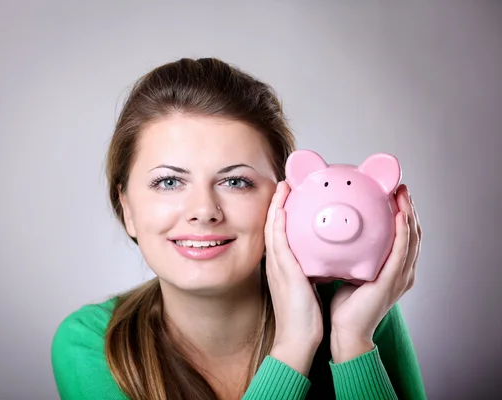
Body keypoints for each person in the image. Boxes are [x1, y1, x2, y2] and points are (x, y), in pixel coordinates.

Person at [51, 57, 426, 400]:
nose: (203, 211)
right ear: (127, 207)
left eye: (236, 182)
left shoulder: (361, 310)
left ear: (286, 201)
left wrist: (353, 342)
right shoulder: (92, 344)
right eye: (168, 182)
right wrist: (293, 348)